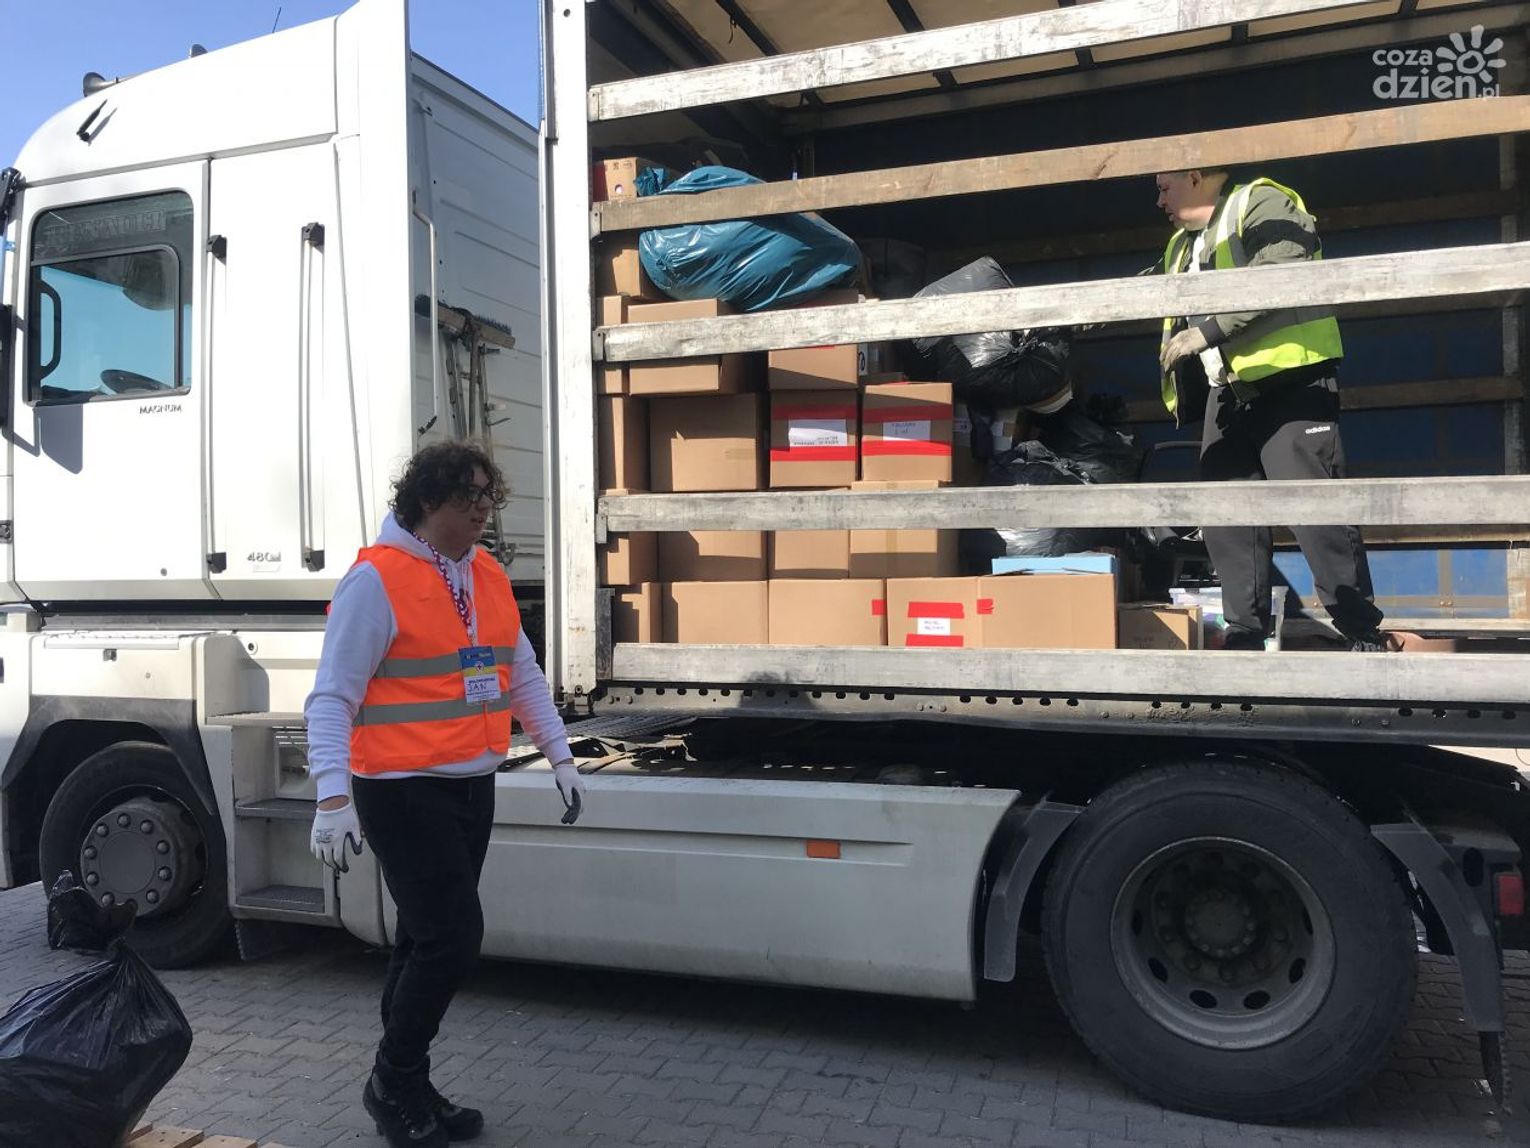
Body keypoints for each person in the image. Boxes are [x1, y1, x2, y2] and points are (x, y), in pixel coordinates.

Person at [304, 441, 584, 1148]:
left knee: (423, 937)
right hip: (401, 790)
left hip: (469, 784)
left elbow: (520, 672)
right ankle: (391, 1080)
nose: (485, 510)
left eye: (489, 496)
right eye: (469, 497)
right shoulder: (376, 580)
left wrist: (560, 753)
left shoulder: (483, 571)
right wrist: (331, 796)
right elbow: (331, 697)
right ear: (428, 501)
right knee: (453, 940)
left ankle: (409, 1083)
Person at [1154, 168, 1389, 652]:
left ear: (1195, 177)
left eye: (1164, 187)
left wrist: (1205, 333)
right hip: (1228, 391)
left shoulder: (1259, 203)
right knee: (1226, 516)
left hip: (1291, 380)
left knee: (1315, 510)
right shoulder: (1181, 245)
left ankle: (1360, 631)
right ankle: (1244, 631)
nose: (1159, 201)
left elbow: (1280, 272)